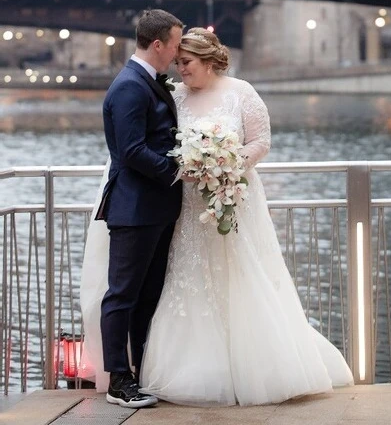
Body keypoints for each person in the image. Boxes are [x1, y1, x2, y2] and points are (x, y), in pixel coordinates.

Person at [82, 26, 353, 407]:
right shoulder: (172, 95)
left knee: (236, 276)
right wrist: (192, 168)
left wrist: (229, 165)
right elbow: (148, 147)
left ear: (209, 60)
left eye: (187, 62)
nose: (180, 70)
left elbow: (262, 141)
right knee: (177, 283)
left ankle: (248, 366)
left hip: (230, 196)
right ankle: (163, 370)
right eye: (177, 62)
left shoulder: (242, 92)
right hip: (183, 205)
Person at [81, 9, 183, 409]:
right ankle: (118, 381)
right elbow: (130, 150)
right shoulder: (129, 86)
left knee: (146, 296)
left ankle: (139, 373)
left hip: (155, 208)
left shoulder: (147, 81)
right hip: (134, 207)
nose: (177, 52)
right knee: (122, 295)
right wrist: (178, 171)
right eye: (175, 44)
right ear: (157, 44)